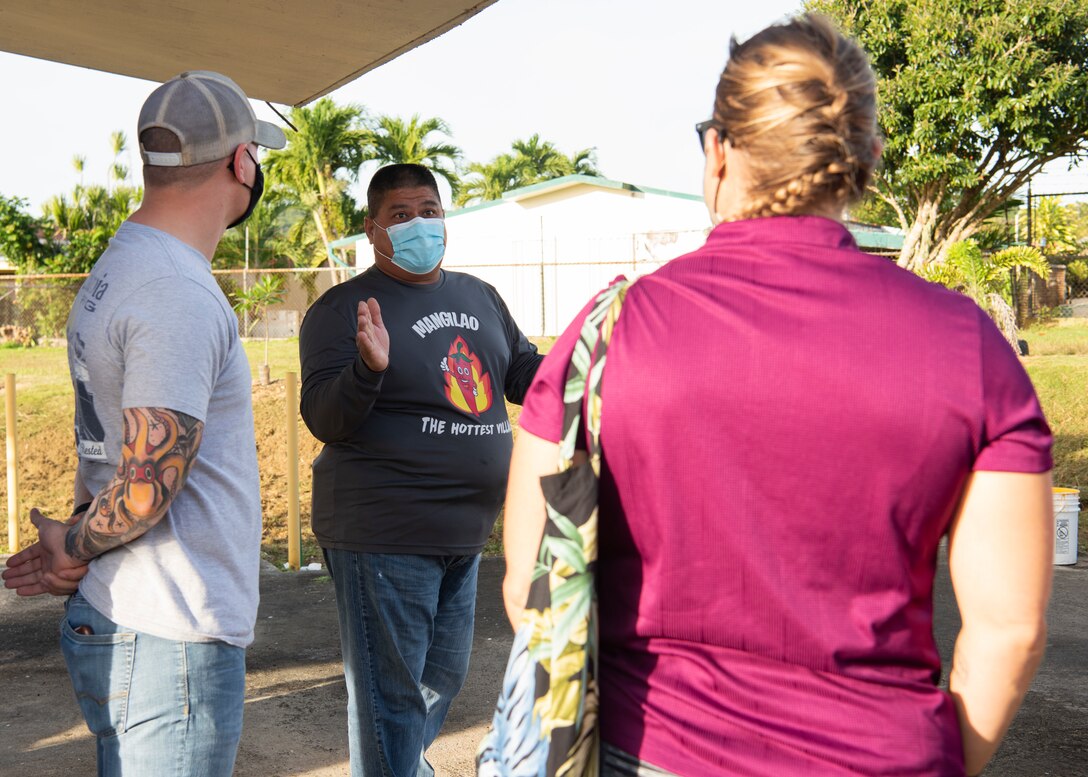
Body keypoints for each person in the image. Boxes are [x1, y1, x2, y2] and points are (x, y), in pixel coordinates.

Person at [502, 15, 1053, 777]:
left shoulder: (606, 336)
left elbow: (530, 573)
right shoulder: (970, 348)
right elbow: (1010, 628)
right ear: (868, 157)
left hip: (654, 748)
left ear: (719, 150)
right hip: (883, 754)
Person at [2, 70, 284, 775]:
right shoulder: (174, 290)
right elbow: (144, 485)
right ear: (239, 162)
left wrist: (76, 536)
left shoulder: (122, 264)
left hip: (132, 618)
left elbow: (107, 442)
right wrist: (72, 540)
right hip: (169, 635)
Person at [298, 162, 544, 777]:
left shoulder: (477, 296)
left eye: (429, 212)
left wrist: (586, 359)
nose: (418, 226)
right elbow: (325, 418)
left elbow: (519, 374)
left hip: (463, 533)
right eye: (400, 216)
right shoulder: (343, 309)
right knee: (391, 699)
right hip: (384, 534)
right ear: (372, 230)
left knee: (441, 677)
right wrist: (368, 370)